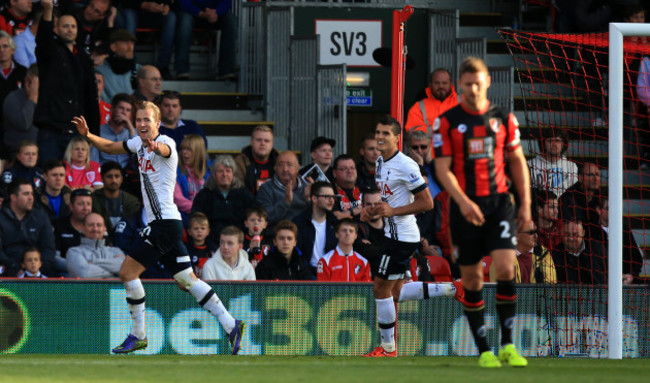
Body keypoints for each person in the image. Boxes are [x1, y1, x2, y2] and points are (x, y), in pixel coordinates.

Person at [73, 101, 246, 354]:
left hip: (164, 224)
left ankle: (138, 334)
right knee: (187, 279)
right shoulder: (136, 144)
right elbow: (111, 146)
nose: (142, 124)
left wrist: (156, 146)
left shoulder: (167, 143)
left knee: (127, 273)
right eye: (139, 119)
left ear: (157, 124)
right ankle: (232, 324)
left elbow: (165, 150)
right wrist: (87, 135)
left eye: (147, 120)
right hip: (169, 224)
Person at [433, 57, 530, 367]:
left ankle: (508, 345)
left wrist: (525, 204)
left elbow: (517, 161)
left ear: (488, 82)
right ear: (460, 85)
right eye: (468, 84)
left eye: (479, 83)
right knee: (473, 279)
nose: (473, 89)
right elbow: (442, 168)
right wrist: (462, 201)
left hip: (499, 203)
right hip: (463, 207)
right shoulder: (446, 121)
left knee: (504, 268)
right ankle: (484, 349)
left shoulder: (504, 118)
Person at [360, 115, 435, 358]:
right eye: (377, 132)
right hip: (392, 234)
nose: (380, 137)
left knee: (380, 288)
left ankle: (388, 348)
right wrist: (372, 211)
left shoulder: (406, 165)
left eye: (385, 133)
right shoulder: (381, 162)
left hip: (401, 236)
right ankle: (453, 289)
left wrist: (392, 211)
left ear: (397, 138)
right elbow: (391, 199)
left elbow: (427, 202)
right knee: (395, 292)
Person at [35, 0, 99, 164]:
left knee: (75, 181)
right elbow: (43, 39)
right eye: (65, 26)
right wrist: (48, 10)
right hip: (51, 131)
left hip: (77, 134)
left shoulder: (83, 58)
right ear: (56, 29)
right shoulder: (50, 52)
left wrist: (93, 135)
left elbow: (91, 97)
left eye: (73, 26)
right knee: (50, 177)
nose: (70, 29)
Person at [191, 155, 257, 242]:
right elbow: (196, 219)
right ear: (214, 174)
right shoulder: (204, 195)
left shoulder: (245, 194)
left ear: (233, 174)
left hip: (239, 242)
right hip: (211, 243)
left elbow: (254, 218)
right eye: (220, 171)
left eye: (228, 171)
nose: (224, 174)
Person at [0, 179, 56, 277]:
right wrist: (15, 269)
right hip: (7, 270)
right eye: (26, 194)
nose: (31, 198)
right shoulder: (1, 217)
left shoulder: (40, 217)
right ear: (13, 197)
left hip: (38, 269)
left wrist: (36, 270)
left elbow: (49, 248)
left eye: (32, 194)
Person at [115, 0, 177, 80]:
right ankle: (130, 65)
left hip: (156, 13)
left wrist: (167, 6)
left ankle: (163, 68)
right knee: (129, 16)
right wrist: (143, 4)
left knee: (171, 17)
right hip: (133, 10)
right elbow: (123, 3)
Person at [589, 195, 643, 284]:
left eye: (614, 208)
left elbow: (636, 259)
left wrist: (630, 275)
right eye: (608, 208)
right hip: (598, 282)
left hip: (623, 282)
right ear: (598, 209)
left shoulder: (623, 230)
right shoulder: (590, 231)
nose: (612, 212)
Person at [177, 0, 236, 80]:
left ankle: (226, 71)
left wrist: (217, 12)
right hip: (193, 13)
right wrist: (201, 13)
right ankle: (182, 70)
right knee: (185, 21)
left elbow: (227, 2)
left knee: (230, 21)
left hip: (215, 14)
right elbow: (183, 2)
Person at [293, 181, 338, 277]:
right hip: (305, 274)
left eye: (333, 197)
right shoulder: (299, 223)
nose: (331, 200)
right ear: (314, 198)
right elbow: (296, 253)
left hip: (331, 273)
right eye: (327, 196)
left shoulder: (335, 223)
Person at [489, 220, 556, 284]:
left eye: (536, 232)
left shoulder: (543, 254)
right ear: (516, 234)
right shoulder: (502, 256)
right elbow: (498, 288)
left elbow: (550, 286)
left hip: (538, 295)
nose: (536, 236)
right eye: (531, 233)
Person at [257, 150, 309, 227]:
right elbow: (264, 218)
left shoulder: (307, 187)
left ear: (297, 168)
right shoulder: (266, 189)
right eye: (280, 165)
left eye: (289, 165)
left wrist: (310, 200)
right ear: (275, 168)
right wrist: (286, 202)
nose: (285, 169)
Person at [66, 212, 126, 278]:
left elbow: (126, 268)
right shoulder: (73, 252)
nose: (95, 229)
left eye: (99, 225)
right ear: (83, 228)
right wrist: (115, 272)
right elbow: (84, 274)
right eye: (91, 225)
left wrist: (94, 261)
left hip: (112, 288)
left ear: (104, 229)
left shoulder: (116, 251)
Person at [405, 68, 458, 136]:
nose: (441, 86)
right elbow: (413, 132)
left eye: (444, 83)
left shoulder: (464, 102)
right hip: (430, 146)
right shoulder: (419, 107)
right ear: (430, 84)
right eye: (437, 83)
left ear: (451, 84)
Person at [91, 161, 141, 234]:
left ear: (122, 179)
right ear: (102, 178)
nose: (113, 180)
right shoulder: (93, 199)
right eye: (109, 176)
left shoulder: (132, 202)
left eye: (117, 176)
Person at [552, 220, 606, 284]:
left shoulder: (598, 250)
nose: (571, 238)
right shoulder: (555, 255)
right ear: (561, 234)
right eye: (567, 234)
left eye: (575, 235)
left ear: (583, 233)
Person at [527, 129, 578, 198]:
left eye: (557, 141)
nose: (554, 144)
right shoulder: (530, 165)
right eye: (550, 141)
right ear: (543, 143)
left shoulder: (571, 166)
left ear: (563, 144)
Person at [0, 30, 27, 158]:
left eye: (5, 46)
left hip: (18, 127)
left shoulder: (23, 73)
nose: (2, 50)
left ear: (12, 50)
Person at [90, 93, 136, 167]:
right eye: (121, 108)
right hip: (104, 173)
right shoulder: (99, 131)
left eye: (128, 110)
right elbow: (93, 161)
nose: (124, 112)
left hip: (126, 174)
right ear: (111, 109)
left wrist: (131, 129)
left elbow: (138, 157)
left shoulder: (133, 133)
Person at [95, 29, 140, 103]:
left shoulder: (139, 70)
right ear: (113, 47)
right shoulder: (100, 72)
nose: (130, 48)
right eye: (125, 43)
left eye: (132, 43)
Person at [54, 188, 94, 268]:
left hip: (96, 274)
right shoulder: (59, 226)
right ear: (71, 206)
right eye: (81, 204)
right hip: (66, 275)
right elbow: (55, 259)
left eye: (88, 204)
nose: (85, 208)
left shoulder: (98, 226)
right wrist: (78, 266)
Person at [174, 134, 209, 226]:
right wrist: (198, 209)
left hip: (208, 217)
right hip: (185, 218)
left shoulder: (210, 171)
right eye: (182, 149)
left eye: (189, 149)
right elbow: (177, 199)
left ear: (198, 151)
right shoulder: (176, 171)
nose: (184, 153)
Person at [234, 125, 279, 196]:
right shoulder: (240, 162)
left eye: (267, 141)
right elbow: (238, 191)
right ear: (251, 142)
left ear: (272, 144)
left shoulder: (280, 162)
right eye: (258, 140)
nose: (263, 143)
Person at [3, 63, 38, 155]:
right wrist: (32, 98)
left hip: (43, 149)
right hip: (18, 152)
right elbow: (24, 124)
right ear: (27, 82)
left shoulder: (49, 98)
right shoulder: (13, 98)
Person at [353, 187, 385, 276]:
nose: (373, 208)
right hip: (366, 280)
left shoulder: (392, 225)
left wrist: (373, 248)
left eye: (377, 204)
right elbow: (364, 250)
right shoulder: (355, 227)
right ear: (362, 206)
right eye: (369, 204)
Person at [559, 162, 601, 228]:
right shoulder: (568, 199)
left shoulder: (602, 198)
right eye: (590, 175)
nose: (595, 179)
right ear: (580, 178)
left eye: (597, 174)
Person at [34, 159, 72, 224]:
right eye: (54, 175)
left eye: (62, 175)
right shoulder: (35, 197)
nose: (58, 179)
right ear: (45, 177)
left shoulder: (71, 196)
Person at [185, 212, 217, 278]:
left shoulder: (213, 249)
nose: (199, 231)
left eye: (202, 228)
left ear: (208, 231)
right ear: (189, 232)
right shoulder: (186, 250)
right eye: (196, 228)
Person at [331, 154, 362, 221]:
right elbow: (335, 216)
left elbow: (372, 209)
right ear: (334, 173)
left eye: (352, 168)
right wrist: (358, 211)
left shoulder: (365, 187)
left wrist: (349, 213)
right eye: (344, 168)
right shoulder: (330, 192)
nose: (350, 171)